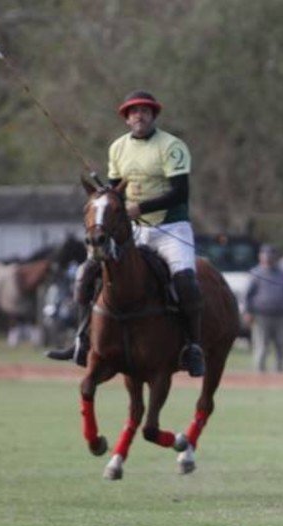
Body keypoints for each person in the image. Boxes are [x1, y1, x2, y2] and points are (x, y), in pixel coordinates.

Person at [47, 90, 206, 376]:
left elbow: (180, 193)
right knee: (87, 273)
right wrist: (106, 194)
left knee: (185, 281)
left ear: (153, 115)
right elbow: (116, 190)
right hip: (131, 229)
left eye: (145, 111)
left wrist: (139, 207)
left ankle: (193, 347)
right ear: (126, 118)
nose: (139, 115)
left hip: (169, 227)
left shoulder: (171, 146)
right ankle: (81, 340)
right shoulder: (118, 148)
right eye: (133, 111)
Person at [245, 245, 283, 373]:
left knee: (281, 344)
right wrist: (248, 312)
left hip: (281, 314)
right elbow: (248, 295)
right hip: (261, 314)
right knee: (261, 344)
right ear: (260, 257)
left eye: (271, 255)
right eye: (265, 255)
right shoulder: (255, 273)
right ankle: (260, 371)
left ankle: (280, 369)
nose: (268, 258)